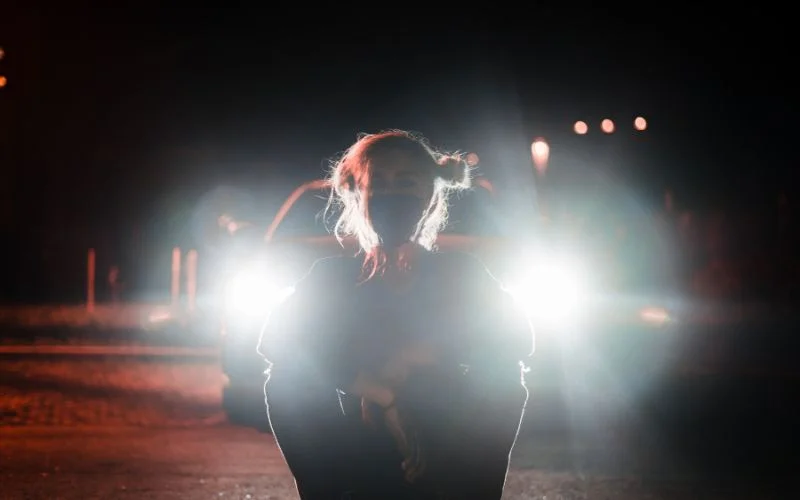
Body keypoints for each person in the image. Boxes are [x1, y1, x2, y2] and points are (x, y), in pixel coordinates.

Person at [258, 130, 533, 499]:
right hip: (356, 437)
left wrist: (407, 362)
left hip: (445, 430)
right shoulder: (332, 276)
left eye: (406, 183)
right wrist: (379, 390)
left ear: (431, 197)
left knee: (504, 375)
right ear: (362, 196)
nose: (392, 196)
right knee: (286, 380)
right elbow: (275, 344)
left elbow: (517, 341)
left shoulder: (462, 272)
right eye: (380, 184)